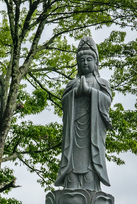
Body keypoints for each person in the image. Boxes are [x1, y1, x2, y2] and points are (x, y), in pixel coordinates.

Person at [54, 37, 112, 191]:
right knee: (72, 175)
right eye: (82, 60)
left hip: (92, 134)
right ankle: (71, 183)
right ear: (78, 63)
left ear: (96, 62)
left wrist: (90, 92)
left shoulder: (101, 83)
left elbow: (107, 101)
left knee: (89, 174)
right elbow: (64, 103)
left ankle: (90, 185)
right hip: (73, 137)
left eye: (89, 59)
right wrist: (75, 93)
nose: (85, 63)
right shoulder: (72, 84)